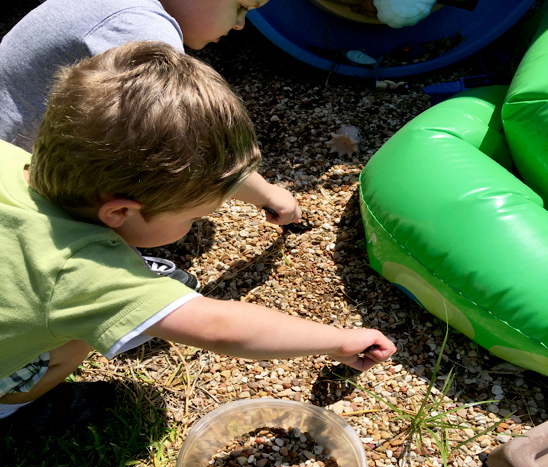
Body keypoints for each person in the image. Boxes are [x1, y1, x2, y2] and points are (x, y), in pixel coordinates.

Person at [0, 42, 396, 433]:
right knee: (75, 342)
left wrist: (265, 193)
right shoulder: (80, 273)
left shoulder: (10, 157)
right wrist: (339, 341)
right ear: (119, 213)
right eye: (194, 216)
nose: (196, 223)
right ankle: (15, 409)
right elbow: (225, 327)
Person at [0, 0, 300, 287]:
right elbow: (190, 149)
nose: (239, 25)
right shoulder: (140, 38)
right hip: (38, 182)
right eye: (241, 7)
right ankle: (99, 277)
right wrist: (268, 196)